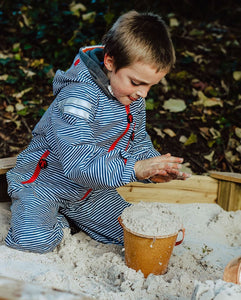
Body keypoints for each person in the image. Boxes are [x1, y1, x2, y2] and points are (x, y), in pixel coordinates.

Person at [5, 10, 191, 253]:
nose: (143, 93)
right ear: (110, 62)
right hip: (44, 185)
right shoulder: (78, 98)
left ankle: (72, 218)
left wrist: (152, 168)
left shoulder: (132, 98)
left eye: (150, 86)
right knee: (33, 241)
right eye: (136, 82)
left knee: (137, 233)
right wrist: (134, 169)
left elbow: (137, 141)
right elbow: (78, 164)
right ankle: (58, 221)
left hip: (91, 191)